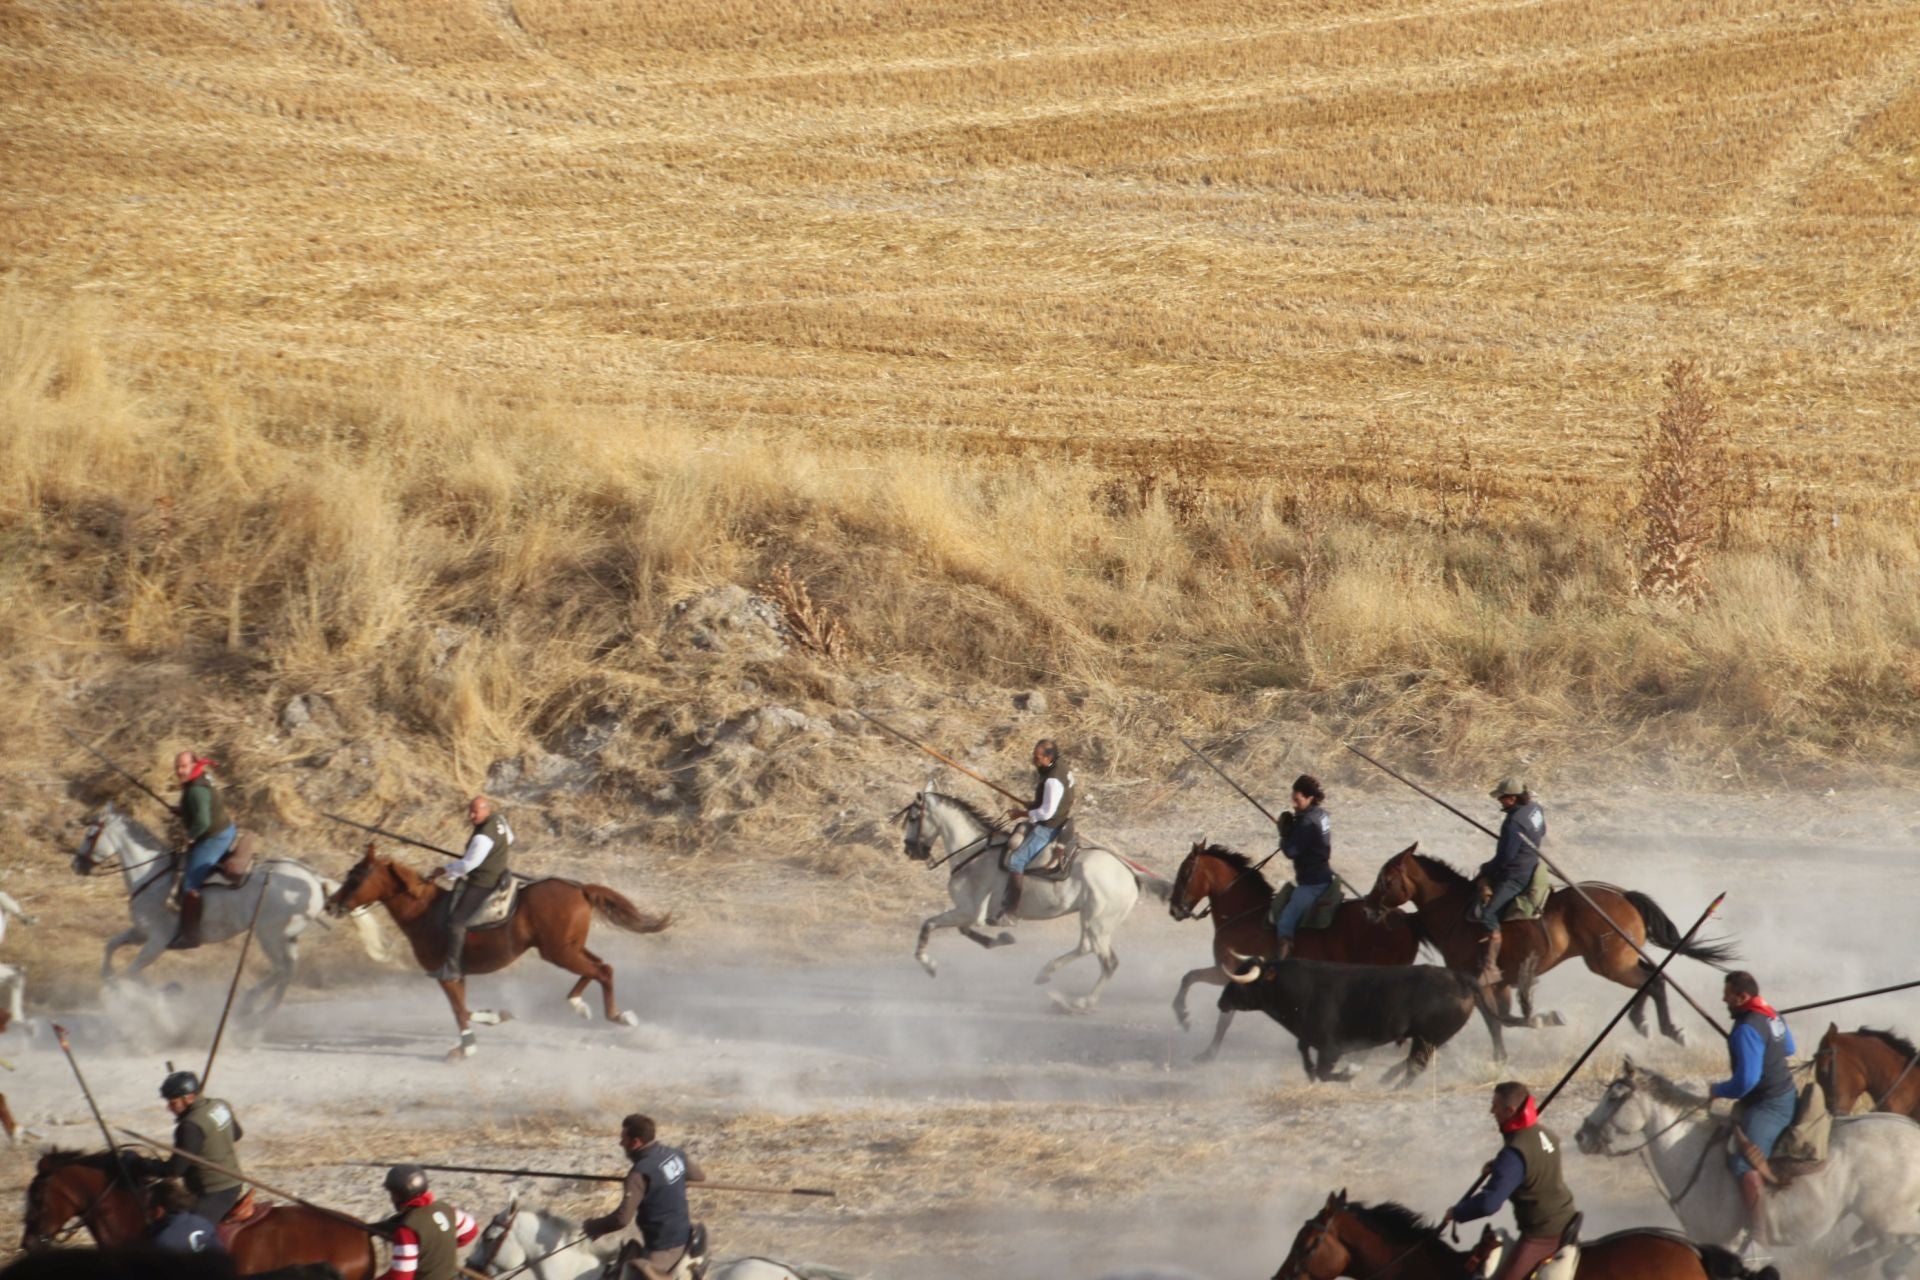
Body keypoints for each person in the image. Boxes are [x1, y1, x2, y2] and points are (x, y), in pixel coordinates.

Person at [1443, 1081, 1578, 1280]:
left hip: (1543, 1232)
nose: (1491, 1111)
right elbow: (1534, 1164)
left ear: (1510, 1110)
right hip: (1565, 1216)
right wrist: (1501, 1166)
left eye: (1495, 1106)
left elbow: (1489, 1204)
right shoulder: (1544, 1134)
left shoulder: (1514, 1154)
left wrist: (1457, 1212)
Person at [1709, 970, 1798, 1246]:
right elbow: (1790, 1048)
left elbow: (1746, 1082)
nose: (1724, 999)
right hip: (1784, 1092)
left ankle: (1759, 1237)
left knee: (1743, 1164)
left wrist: (1718, 1090)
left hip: (1769, 1104)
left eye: (1728, 994)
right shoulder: (1771, 1012)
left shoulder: (1747, 1028)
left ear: (1742, 996)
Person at [584, 1113, 707, 1280]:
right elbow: (699, 1176)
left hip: (664, 1248)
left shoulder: (639, 1173)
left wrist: (593, 1226)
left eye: (623, 1139)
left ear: (635, 1143)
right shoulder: (674, 1154)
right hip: (685, 1234)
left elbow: (621, 1219)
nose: (621, 1143)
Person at [131, 1072, 246, 1224]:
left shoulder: (190, 1126)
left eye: (172, 1102)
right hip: (233, 1181)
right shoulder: (219, 1104)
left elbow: (175, 1170)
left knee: (187, 1235)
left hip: (214, 1191)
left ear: (189, 1098)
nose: (168, 1108)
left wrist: (143, 1164)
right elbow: (236, 1134)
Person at [424, 795, 513, 981]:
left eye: (475, 812)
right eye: (470, 811)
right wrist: (495, 856)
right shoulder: (499, 819)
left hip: (484, 882)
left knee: (456, 922)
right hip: (501, 872)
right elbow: (510, 839)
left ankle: (452, 969)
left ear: (486, 809)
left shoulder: (482, 837)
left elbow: (468, 865)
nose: (471, 816)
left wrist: (444, 870)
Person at [989, 739, 1075, 926]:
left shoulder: (1052, 779)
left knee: (1016, 861)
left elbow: (1047, 812)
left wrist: (1020, 813)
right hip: (1058, 816)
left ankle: (1011, 912)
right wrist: (1034, 805)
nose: (1033, 760)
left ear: (1048, 757)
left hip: (1050, 826)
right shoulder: (1061, 765)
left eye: (1037, 757)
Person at [1470, 778, 1545, 987]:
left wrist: (1486, 869)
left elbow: (1505, 859)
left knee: (1488, 914)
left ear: (1512, 798)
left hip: (1517, 874)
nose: (1500, 802)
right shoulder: (1534, 808)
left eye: (1502, 798)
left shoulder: (1513, 823)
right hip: (1533, 863)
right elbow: (1542, 831)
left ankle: (1491, 967)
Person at [169, 752, 237, 950]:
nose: (179, 771)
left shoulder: (196, 790)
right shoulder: (199, 777)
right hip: (223, 830)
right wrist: (183, 811)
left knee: (190, 883)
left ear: (193, 765)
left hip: (215, 837)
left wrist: (190, 836)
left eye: (183, 766)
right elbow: (202, 808)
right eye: (177, 767)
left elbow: (203, 821)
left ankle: (190, 935)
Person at [375, 1164, 478, 1280]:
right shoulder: (445, 1209)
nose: (391, 1198)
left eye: (392, 1193)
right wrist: (439, 1252)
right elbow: (471, 1231)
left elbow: (401, 1276)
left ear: (400, 1195)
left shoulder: (407, 1230)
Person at [1269, 775, 1333, 961]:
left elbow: (1291, 851)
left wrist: (1284, 835)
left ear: (1309, 798)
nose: (1294, 804)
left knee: (1285, 922)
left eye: (1297, 800)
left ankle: (1281, 966)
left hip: (1312, 883)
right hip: (1324, 876)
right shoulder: (1321, 815)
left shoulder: (1306, 822)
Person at [147, 1179, 225, 1256]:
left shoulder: (161, 1241)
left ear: (159, 1211)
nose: (147, 1212)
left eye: (148, 1208)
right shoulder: (203, 1222)